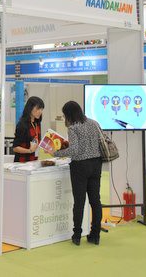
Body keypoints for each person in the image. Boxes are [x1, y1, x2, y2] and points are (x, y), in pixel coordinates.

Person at [54, 101, 103, 246]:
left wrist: (56, 153)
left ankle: (77, 235)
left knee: (79, 202)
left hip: (80, 167)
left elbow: (74, 150)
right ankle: (95, 235)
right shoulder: (94, 123)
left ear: (68, 114)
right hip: (96, 164)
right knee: (95, 201)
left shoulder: (73, 127)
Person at [12, 96, 44, 162]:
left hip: (33, 160)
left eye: (41, 109)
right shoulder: (22, 125)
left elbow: (36, 140)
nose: (40, 112)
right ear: (30, 108)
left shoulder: (37, 123)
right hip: (22, 162)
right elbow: (15, 148)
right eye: (38, 109)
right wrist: (29, 151)